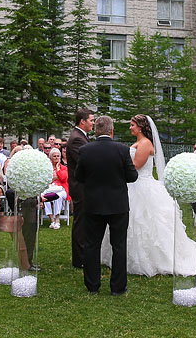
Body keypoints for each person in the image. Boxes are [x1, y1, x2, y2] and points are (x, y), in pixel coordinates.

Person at [101, 114, 196, 276]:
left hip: (142, 187)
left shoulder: (145, 143)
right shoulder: (139, 142)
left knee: (144, 222)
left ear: (141, 127)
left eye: (132, 125)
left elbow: (135, 166)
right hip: (133, 187)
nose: (130, 127)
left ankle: (150, 258)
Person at [74, 115, 138, 295]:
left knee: (91, 245)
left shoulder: (86, 150)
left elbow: (79, 176)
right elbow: (132, 176)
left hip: (93, 203)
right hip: (117, 204)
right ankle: (117, 287)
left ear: (96, 131)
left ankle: (92, 286)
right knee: (119, 245)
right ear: (112, 131)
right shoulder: (122, 149)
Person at [66, 107, 94, 270]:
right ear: (82, 121)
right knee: (80, 223)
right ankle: (80, 258)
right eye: (91, 120)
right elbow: (85, 163)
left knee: (84, 222)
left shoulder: (81, 136)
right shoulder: (77, 139)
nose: (93, 123)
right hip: (80, 186)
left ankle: (83, 255)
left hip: (84, 186)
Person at [42, 147, 68, 229]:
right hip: (49, 189)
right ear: (50, 158)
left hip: (62, 189)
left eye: (58, 156)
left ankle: (57, 219)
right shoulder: (47, 168)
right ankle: (52, 220)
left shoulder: (64, 168)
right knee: (45, 197)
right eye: (54, 156)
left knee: (58, 196)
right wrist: (55, 178)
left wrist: (57, 168)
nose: (56, 158)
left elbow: (63, 178)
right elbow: (45, 180)